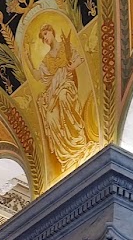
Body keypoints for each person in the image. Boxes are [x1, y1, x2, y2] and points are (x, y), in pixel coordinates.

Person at [34, 24, 93, 167]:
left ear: (52, 32)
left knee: (63, 96)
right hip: (54, 89)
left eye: (46, 34)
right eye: (43, 37)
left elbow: (78, 58)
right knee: (50, 116)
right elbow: (39, 76)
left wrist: (71, 67)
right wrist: (28, 61)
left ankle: (78, 141)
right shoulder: (46, 59)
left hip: (67, 85)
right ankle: (66, 155)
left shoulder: (65, 46)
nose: (45, 38)